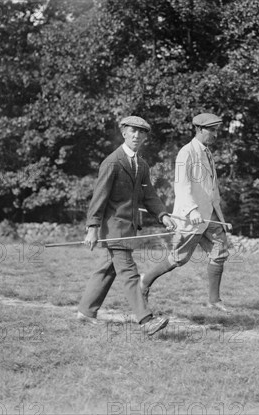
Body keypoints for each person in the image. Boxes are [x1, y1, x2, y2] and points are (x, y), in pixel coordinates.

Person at [77, 115, 176, 335]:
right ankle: (146, 320)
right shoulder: (112, 162)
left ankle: (85, 312)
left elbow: (149, 194)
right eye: (132, 131)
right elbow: (99, 197)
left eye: (141, 133)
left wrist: (163, 215)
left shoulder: (141, 164)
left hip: (128, 229)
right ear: (124, 133)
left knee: (106, 269)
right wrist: (92, 228)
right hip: (114, 229)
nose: (137, 135)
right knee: (130, 274)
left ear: (145, 138)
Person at [139, 112, 231, 312]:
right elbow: (181, 184)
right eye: (212, 130)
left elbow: (210, 187)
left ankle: (214, 300)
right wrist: (191, 209)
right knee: (179, 258)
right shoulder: (186, 152)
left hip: (210, 214)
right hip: (192, 216)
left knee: (220, 250)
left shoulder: (208, 152)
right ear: (199, 129)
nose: (215, 134)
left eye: (217, 130)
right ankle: (144, 281)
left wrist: (217, 209)